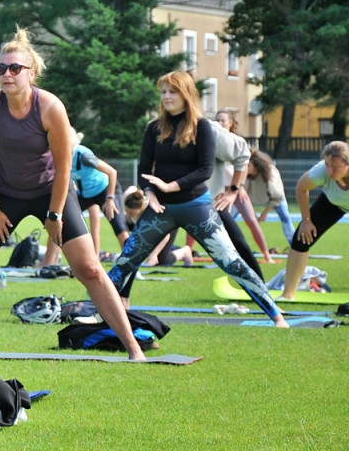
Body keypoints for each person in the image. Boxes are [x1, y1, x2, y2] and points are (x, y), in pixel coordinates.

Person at [0, 27, 147, 360]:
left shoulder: (49, 107)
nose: (6, 74)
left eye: (15, 68)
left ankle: (134, 348)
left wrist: (55, 215)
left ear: (31, 73)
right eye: (1, 68)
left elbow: (64, 168)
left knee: (90, 268)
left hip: (50, 191)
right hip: (5, 192)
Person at [107, 71, 287, 327]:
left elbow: (204, 169)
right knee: (125, 262)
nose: (167, 96)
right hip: (161, 209)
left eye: (173, 91)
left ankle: (276, 316)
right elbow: (145, 168)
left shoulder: (203, 126)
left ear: (186, 94)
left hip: (197, 207)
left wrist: (171, 187)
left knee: (232, 262)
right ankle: (99, 313)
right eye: (164, 91)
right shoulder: (154, 128)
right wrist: (150, 193)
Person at [280, 141, 349, 301]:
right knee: (301, 239)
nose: (330, 171)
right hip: (333, 203)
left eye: (335, 167)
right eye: (327, 165)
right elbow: (302, 188)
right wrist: (306, 220)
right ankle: (288, 294)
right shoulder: (321, 171)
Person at [42, 128, 120, 264]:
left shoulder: (82, 155)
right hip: (83, 194)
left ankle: (128, 265)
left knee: (116, 227)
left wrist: (110, 198)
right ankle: (48, 263)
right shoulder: (57, 156)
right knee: (56, 221)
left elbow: (112, 172)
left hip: (101, 190)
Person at [213, 109, 272, 263]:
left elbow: (244, 165)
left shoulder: (236, 141)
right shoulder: (212, 140)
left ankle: (267, 255)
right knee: (202, 219)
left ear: (231, 123)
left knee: (252, 221)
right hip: (218, 190)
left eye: (223, 120)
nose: (219, 123)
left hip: (235, 189)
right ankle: (189, 252)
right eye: (217, 120)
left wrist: (239, 187)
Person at [245, 149, 296, 248]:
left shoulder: (270, 172)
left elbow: (278, 196)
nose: (245, 168)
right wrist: (251, 212)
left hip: (274, 199)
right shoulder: (243, 174)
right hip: (253, 199)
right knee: (229, 215)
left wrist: (264, 213)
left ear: (256, 165)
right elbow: (242, 195)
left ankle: (295, 247)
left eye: (248, 165)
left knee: (285, 217)